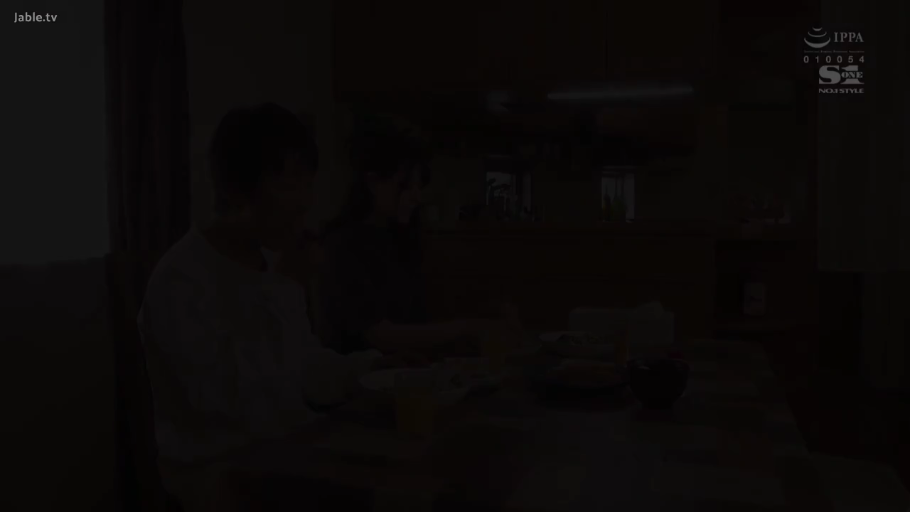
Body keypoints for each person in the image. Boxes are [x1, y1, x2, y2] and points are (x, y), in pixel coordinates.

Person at [138, 104, 395, 511]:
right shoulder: (182, 279)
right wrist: (282, 284)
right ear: (236, 191)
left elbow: (304, 366)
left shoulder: (272, 263)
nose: (305, 203)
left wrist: (372, 370)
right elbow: (220, 400)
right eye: (291, 185)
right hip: (219, 471)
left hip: (292, 451)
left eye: (308, 185)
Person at [318, 126, 522, 356]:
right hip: (363, 373)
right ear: (373, 183)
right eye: (406, 185)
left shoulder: (398, 237)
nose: (417, 196)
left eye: (419, 185)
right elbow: (380, 336)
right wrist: (468, 328)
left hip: (408, 370)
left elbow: (422, 316)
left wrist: (489, 314)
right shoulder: (343, 245)